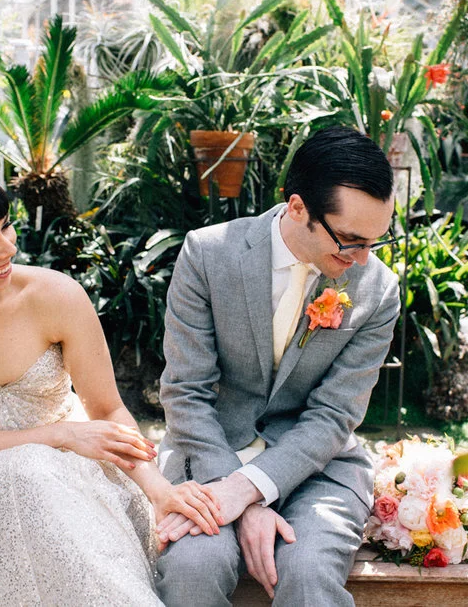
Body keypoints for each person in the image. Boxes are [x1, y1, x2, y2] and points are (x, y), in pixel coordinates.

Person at [0, 160, 222, 606]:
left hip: (73, 483)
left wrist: (159, 490)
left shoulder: (55, 295)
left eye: (6, 227)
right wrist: (62, 435)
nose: (8, 247)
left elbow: (106, 411)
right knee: (29, 470)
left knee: (39, 480)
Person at [155, 126, 400, 606]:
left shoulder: (378, 289)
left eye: (377, 241)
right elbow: (186, 393)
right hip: (208, 457)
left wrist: (247, 491)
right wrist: (239, 498)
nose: (363, 259)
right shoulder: (207, 255)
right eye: (350, 241)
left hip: (319, 471)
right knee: (192, 570)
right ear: (297, 208)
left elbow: (334, 416)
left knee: (308, 575)